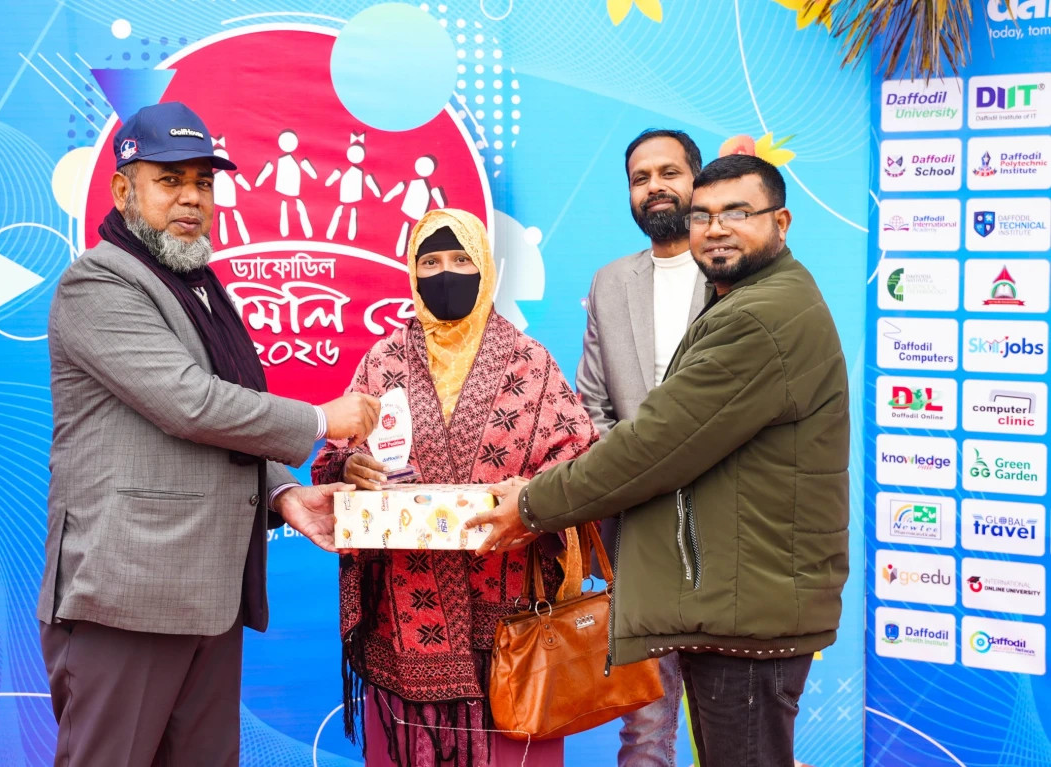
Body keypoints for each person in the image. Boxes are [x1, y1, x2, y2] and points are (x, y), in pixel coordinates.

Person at [469, 155, 850, 767]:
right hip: (733, 597)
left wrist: (533, 505)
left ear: (781, 222)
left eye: (738, 213)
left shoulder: (759, 317)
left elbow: (654, 446)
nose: (716, 229)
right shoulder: (748, 299)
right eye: (703, 215)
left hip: (746, 607)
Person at [36, 101, 380, 767]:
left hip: (208, 595)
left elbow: (224, 413)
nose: (191, 197)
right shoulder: (98, 282)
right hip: (126, 597)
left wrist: (283, 495)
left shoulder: (196, 285)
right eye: (169, 179)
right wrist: (320, 419)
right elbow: (189, 403)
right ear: (123, 190)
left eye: (203, 181)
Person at [311, 208, 597, 767]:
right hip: (404, 623)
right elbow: (333, 459)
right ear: (412, 273)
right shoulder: (383, 361)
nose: (446, 274)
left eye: (462, 260)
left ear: (486, 268)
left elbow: (581, 461)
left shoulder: (531, 363)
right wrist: (349, 468)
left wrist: (531, 497)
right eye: (431, 262)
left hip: (511, 625)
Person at [577, 128, 706, 767]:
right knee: (647, 730)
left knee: (734, 726)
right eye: (640, 178)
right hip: (640, 539)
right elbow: (591, 408)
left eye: (669, 172)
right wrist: (641, 476)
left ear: (698, 181)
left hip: (729, 535)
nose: (654, 186)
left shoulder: (736, 273)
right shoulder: (610, 283)